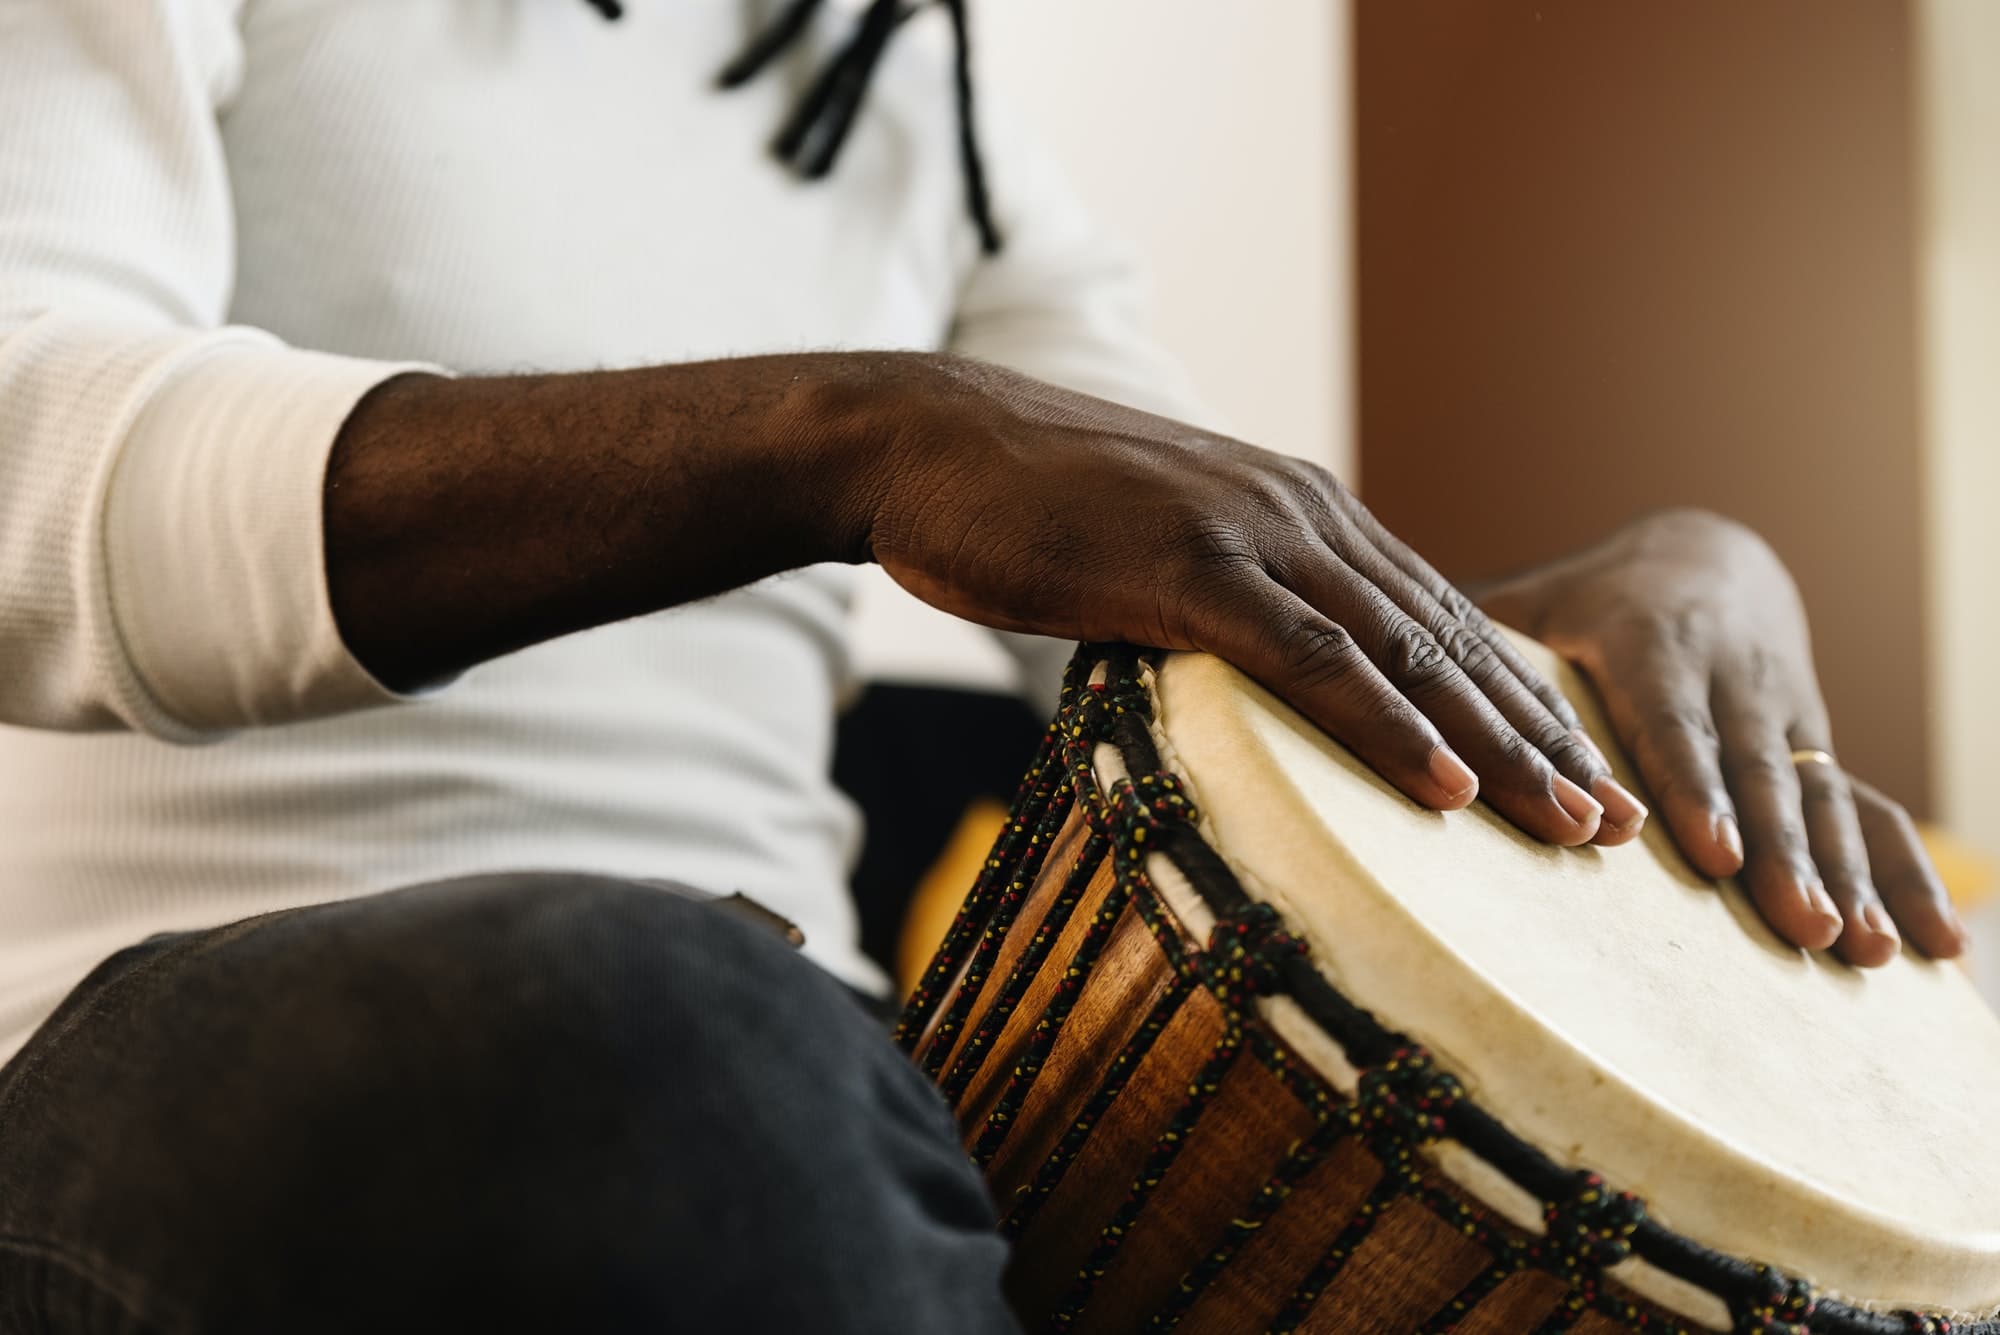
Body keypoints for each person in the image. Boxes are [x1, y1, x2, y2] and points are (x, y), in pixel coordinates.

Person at [0, 2, 1965, 1331]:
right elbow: (29, 461)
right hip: (174, 1061)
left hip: (794, 1125)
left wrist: (1646, 584)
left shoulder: (897, 69)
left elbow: (1215, 585)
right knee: (659, 1017)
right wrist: (846, 438)